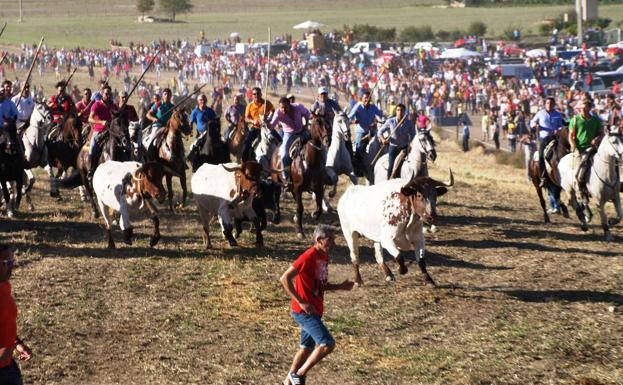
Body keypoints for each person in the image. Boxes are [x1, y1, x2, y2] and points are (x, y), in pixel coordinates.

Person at [280, 225, 354, 385]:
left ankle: (287, 382)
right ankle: (298, 375)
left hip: (315, 310)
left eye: (334, 239)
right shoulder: (308, 256)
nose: (334, 243)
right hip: (304, 312)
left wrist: (340, 286)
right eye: (330, 239)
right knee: (327, 344)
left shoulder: (324, 257)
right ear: (319, 240)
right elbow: (284, 278)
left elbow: (320, 285)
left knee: (306, 348)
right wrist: (301, 301)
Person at [0, 243, 33, 385]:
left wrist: (16, 343)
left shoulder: (4, 286)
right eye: (7, 263)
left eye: (12, 261)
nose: (12, 266)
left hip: (8, 367)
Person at [569, 99, 603, 203]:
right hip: (581, 149)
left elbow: (601, 133)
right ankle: (582, 191)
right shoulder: (575, 120)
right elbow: (570, 136)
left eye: (585, 108)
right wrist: (573, 145)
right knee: (580, 171)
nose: (582, 110)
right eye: (581, 108)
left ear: (589, 108)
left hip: (594, 148)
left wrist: (597, 139)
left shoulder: (595, 120)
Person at [270, 97, 310, 185]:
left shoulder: (298, 107)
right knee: (284, 155)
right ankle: (285, 178)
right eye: (281, 107)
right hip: (289, 135)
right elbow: (271, 125)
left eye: (285, 107)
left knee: (315, 145)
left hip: (302, 132)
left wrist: (306, 125)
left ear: (289, 105)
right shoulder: (278, 113)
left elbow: (307, 114)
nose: (283, 110)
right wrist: (266, 123)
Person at [530, 97, 564, 188]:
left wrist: (559, 129)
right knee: (541, 155)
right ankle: (543, 177)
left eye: (551, 103)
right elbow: (532, 122)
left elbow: (561, 125)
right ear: (545, 104)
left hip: (555, 138)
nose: (549, 105)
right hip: (544, 139)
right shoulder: (540, 114)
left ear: (554, 105)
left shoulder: (558, 115)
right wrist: (534, 125)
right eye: (548, 103)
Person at [377, 104, 415, 179]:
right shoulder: (390, 121)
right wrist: (383, 139)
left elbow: (413, 136)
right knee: (391, 166)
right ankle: (388, 180)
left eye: (401, 110)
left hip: (405, 149)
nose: (400, 112)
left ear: (404, 112)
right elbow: (379, 132)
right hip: (393, 148)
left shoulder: (409, 123)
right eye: (398, 110)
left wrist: (411, 144)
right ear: (396, 111)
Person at [87, 85, 117, 178]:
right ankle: (91, 169)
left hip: (112, 132)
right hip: (99, 131)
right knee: (92, 147)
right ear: (102, 94)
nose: (108, 96)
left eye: (109, 94)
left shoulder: (113, 105)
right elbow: (90, 119)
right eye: (106, 94)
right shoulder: (96, 105)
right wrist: (101, 122)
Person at [242, 87, 274, 161]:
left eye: (258, 93)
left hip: (266, 128)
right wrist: (253, 121)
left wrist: (268, 118)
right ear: (252, 95)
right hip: (256, 128)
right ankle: (244, 162)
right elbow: (246, 118)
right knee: (246, 145)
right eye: (254, 94)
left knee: (279, 141)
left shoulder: (267, 103)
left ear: (261, 94)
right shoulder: (249, 106)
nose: (256, 95)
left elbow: (273, 112)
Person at [347, 90, 383, 157]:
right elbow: (348, 118)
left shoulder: (373, 107)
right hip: (361, 131)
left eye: (368, 98)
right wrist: (353, 121)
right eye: (365, 98)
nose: (367, 99)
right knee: (358, 148)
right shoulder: (358, 107)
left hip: (372, 131)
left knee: (380, 143)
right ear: (362, 99)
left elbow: (381, 115)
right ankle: (357, 161)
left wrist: (378, 119)